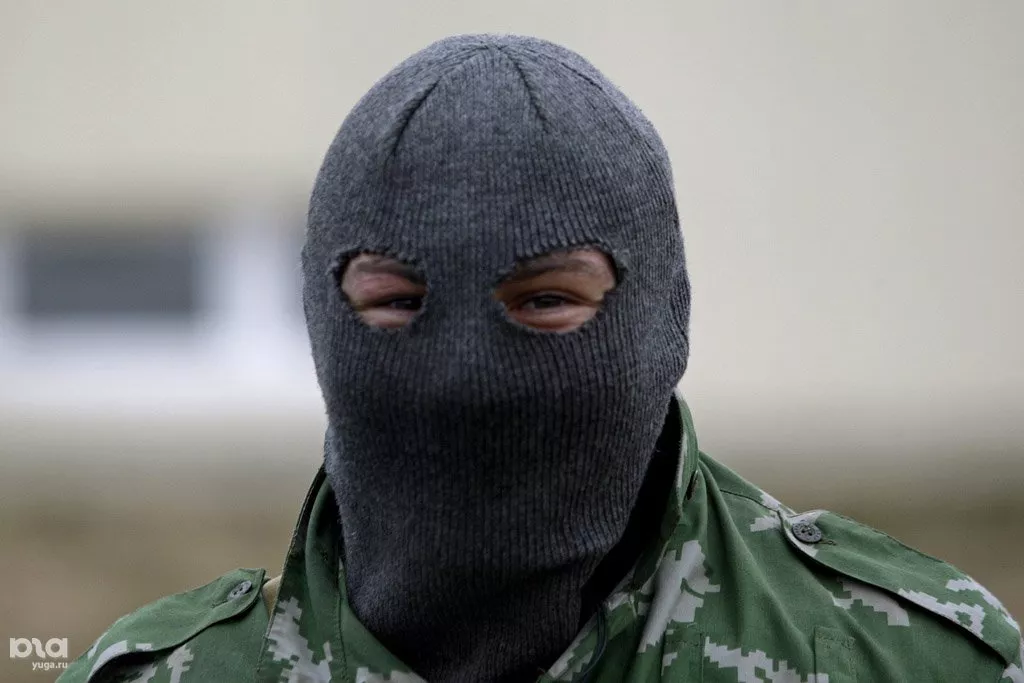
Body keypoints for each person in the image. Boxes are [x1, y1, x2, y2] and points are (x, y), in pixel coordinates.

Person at [58, 33, 1021, 683]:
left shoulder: (900, 658)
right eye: (398, 303)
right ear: (320, 318)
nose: (468, 379)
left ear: (663, 315)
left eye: (546, 300)